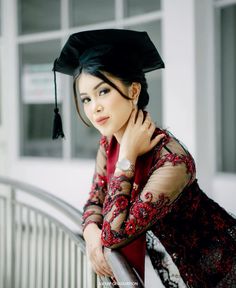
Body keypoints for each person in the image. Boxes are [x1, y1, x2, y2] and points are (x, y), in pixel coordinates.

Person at [53, 29, 236, 287]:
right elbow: (96, 198)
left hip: (223, 273)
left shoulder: (172, 162)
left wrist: (127, 156)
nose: (94, 107)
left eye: (103, 91)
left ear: (134, 91)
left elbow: (115, 234)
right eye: (86, 99)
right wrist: (90, 234)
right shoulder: (109, 144)